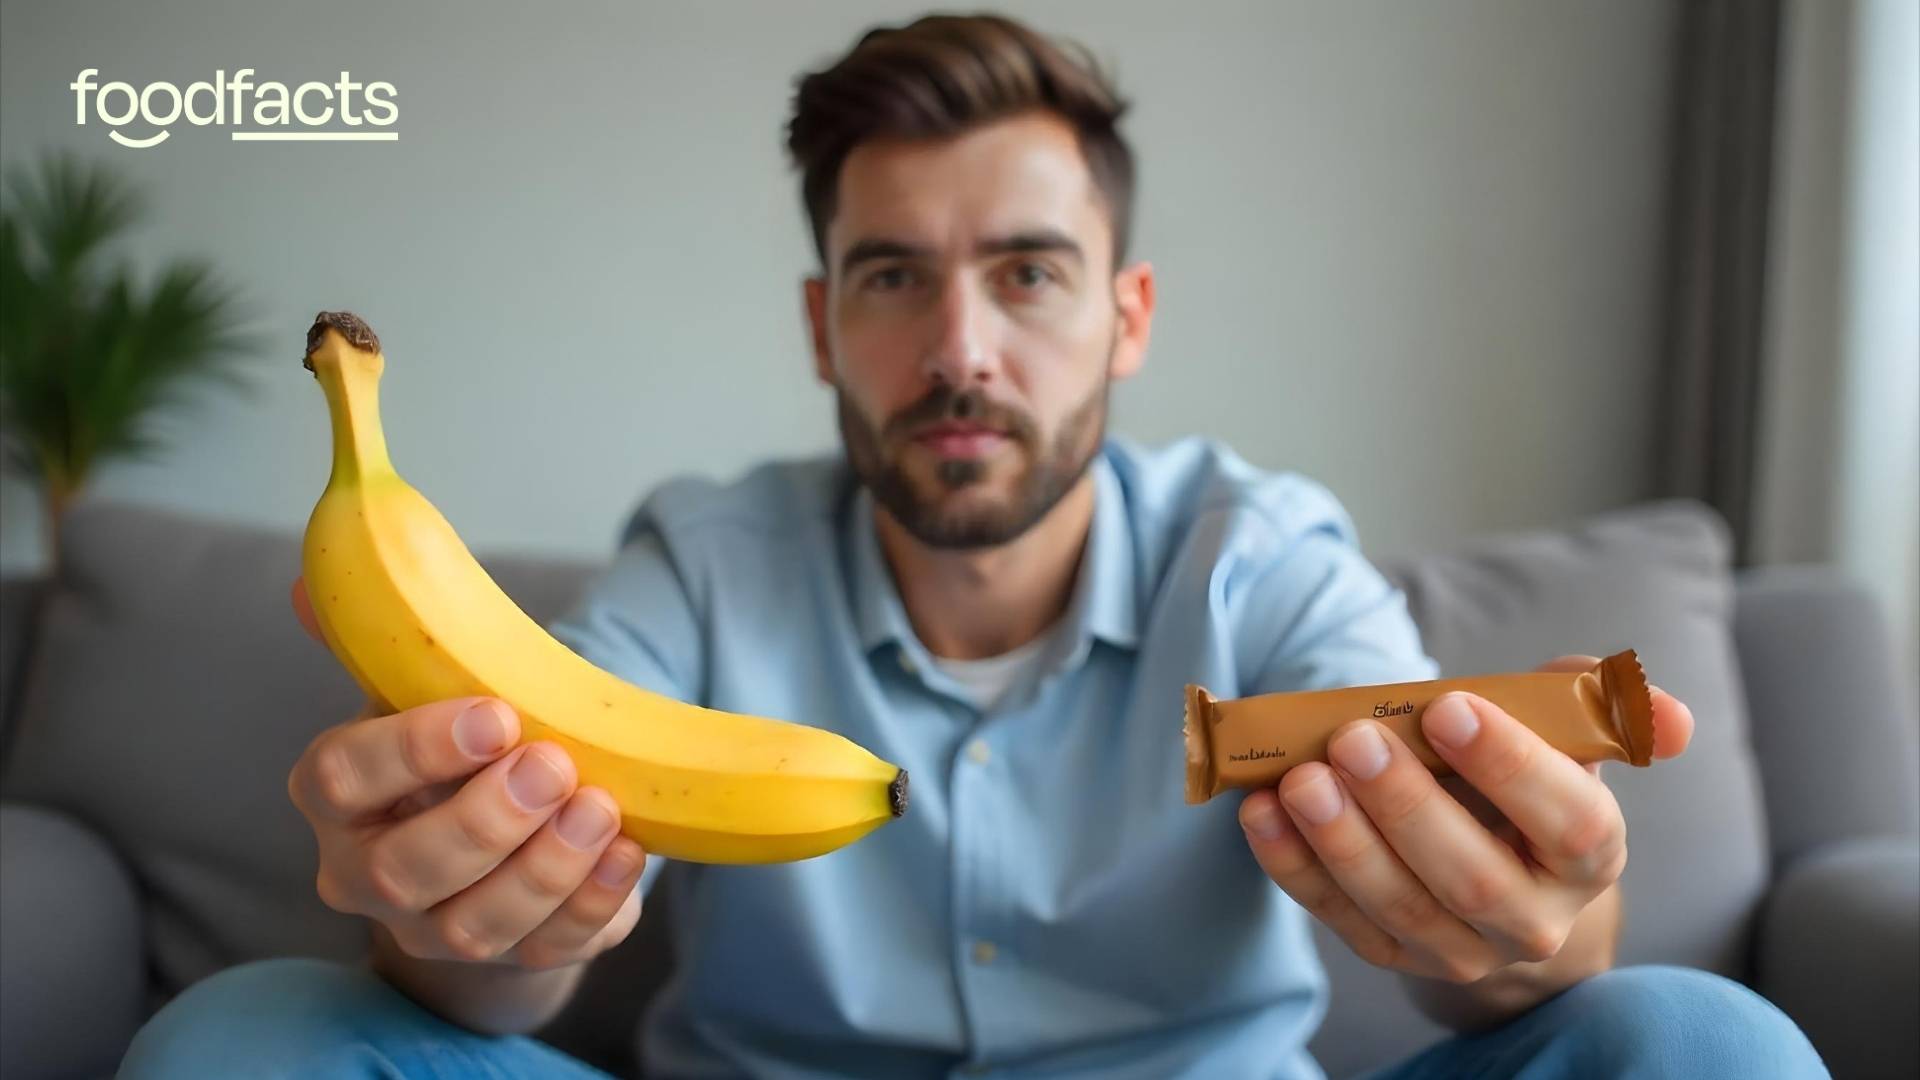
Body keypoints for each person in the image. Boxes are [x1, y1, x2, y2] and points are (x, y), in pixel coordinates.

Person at [120, 13, 1828, 1080]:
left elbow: (1489, 949)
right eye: (892, 278)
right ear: (818, 323)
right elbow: (510, 972)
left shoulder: (1268, 559)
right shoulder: (705, 563)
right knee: (241, 1041)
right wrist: (468, 923)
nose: (960, 351)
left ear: (1127, 314)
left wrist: (1535, 927)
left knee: (1704, 1043)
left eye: (1026, 271)